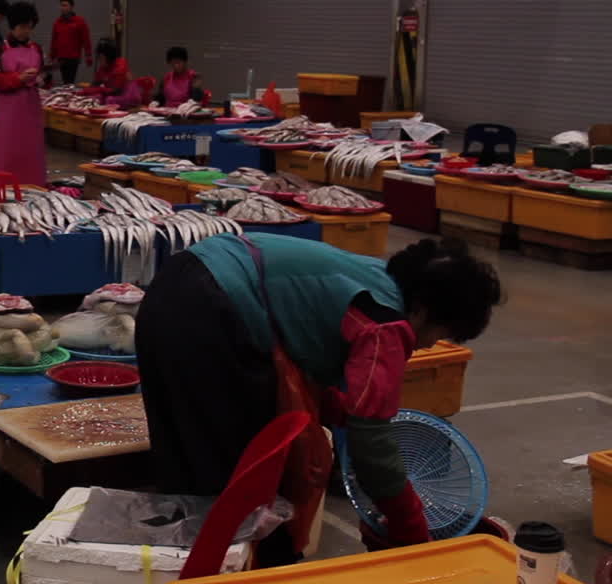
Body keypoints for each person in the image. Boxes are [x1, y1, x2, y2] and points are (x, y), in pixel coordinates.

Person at [136, 234, 502, 562]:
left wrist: (340, 409)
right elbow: (371, 441)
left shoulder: (374, 279)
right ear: (422, 309)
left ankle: (179, 565)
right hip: (212, 308)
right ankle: (239, 570)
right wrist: (412, 533)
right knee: (237, 479)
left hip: (175, 285)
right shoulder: (387, 324)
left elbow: (303, 334)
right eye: (439, 333)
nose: (425, 345)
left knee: (184, 458)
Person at [0, 1, 46, 186]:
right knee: (4, 148)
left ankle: (32, 184)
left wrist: (41, 79)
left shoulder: (36, 48)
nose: (25, 31)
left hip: (30, 105)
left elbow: (43, 71)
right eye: (22, 27)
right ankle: (0, 185)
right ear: (13, 26)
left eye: (29, 27)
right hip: (6, 107)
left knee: (29, 149)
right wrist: (18, 78)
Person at [86, 38, 142, 110]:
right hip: (114, 95)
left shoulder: (120, 65)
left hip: (128, 97)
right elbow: (95, 84)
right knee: (94, 98)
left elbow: (115, 90)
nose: (99, 60)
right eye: (99, 57)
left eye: (101, 57)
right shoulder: (103, 67)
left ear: (109, 56)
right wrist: (85, 93)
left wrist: (98, 90)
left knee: (108, 100)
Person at [49, 0, 92, 85]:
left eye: (65, 5)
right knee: (66, 81)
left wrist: (89, 56)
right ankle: (68, 96)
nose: (62, 8)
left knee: (69, 81)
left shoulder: (80, 21)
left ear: (71, 7)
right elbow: (54, 40)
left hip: (73, 57)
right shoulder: (57, 22)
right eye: (61, 5)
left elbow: (86, 39)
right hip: (61, 57)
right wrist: (52, 56)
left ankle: (69, 96)